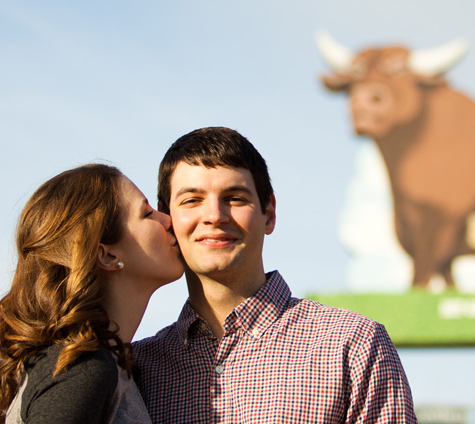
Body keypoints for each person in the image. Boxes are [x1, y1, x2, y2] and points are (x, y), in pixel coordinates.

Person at [133, 127, 418, 423]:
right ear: (167, 220)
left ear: (269, 213)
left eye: (234, 197)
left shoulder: (352, 345)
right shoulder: (135, 370)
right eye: (192, 200)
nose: (215, 215)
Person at [0, 164, 184, 424]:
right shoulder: (83, 367)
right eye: (147, 213)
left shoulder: (98, 364)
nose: (167, 220)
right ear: (106, 254)